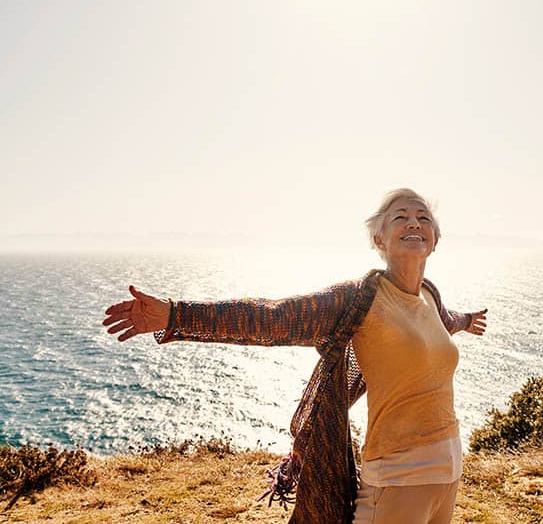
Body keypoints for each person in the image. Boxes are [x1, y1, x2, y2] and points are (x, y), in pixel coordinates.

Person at [103, 188, 487, 524]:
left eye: (423, 217)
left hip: (448, 469)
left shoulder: (430, 297)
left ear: (435, 239)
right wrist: (176, 314)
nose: (413, 223)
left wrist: (467, 320)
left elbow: (444, 322)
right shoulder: (360, 299)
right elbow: (272, 318)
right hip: (397, 475)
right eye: (400, 217)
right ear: (379, 238)